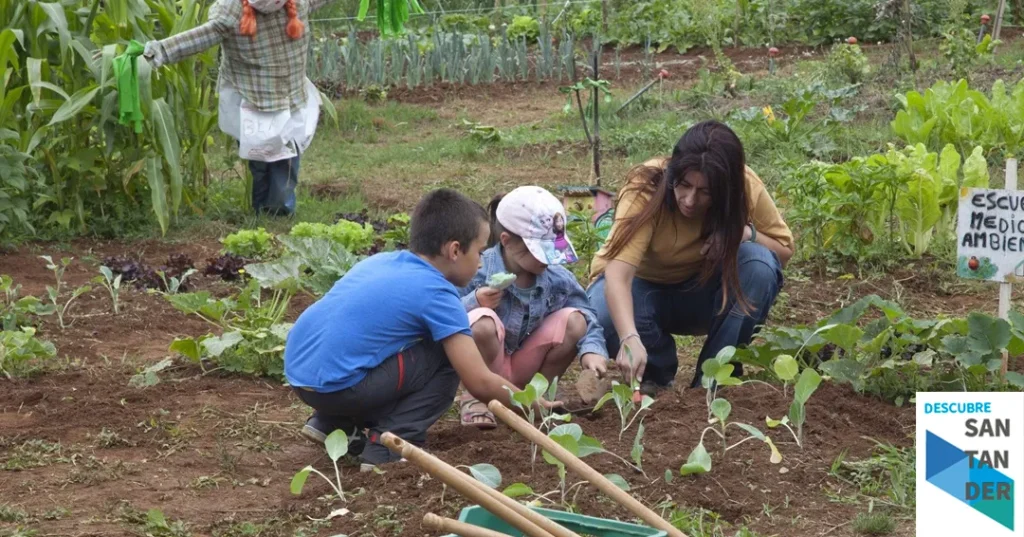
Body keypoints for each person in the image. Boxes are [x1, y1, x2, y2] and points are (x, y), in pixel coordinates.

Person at [284, 188, 560, 470]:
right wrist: (532, 404)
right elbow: (478, 380)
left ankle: (331, 423)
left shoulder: (382, 261)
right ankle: (388, 446)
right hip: (341, 387)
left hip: (301, 375)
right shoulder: (438, 293)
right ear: (454, 250)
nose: (480, 262)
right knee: (449, 357)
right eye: (479, 252)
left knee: (398, 348)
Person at [587, 120, 795, 392]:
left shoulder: (744, 186)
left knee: (759, 264)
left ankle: (714, 378)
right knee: (603, 309)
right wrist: (629, 336)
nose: (689, 199)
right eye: (684, 185)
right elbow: (618, 275)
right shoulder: (647, 186)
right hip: (642, 294)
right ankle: (653, 375)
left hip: (703, 293)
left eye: (705, 192)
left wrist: (741, 234)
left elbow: (783, 250)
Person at [141, 0, 331, 216]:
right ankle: (278, 214)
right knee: (286, 163)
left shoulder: (231, 9)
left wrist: (157, 52)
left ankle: (262, 213)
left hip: (253, 102)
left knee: (260, 163)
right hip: (289, 99)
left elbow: (198, 38)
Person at [457, 186, 607, 428]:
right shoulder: (477, 271)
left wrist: (591, 350)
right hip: (485, 371)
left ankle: (535, 397)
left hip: (525, 364)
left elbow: (587, 314)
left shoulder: (557, 278)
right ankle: (477, 399)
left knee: (576, 320)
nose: (546, 259)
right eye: (539, 251)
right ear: (506, 241)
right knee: (481, 322)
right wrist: (475, 300)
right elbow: (443, 313)